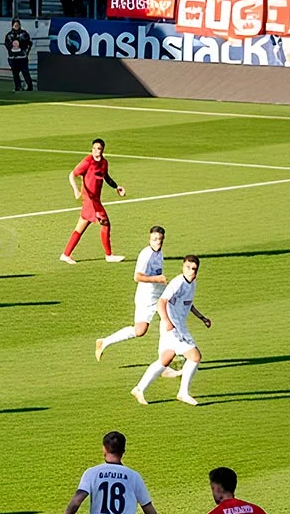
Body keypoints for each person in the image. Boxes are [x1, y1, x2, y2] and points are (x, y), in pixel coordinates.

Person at [132, 254, 209, 406]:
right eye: (188, 268)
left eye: (193, 269)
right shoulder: (178, 282)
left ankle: (139, 389)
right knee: (195, 356)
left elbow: (188, 304)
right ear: (183, 267)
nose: (190, 271)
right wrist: (167, 321)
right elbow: (161, 302)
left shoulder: (192, 284)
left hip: (177, 326)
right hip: (173, 327)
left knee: (165, 359)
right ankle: (183, 393)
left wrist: (202, 318)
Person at [96, 225, 167, 361]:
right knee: (140, 330)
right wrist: (157, 279)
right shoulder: (146, 255)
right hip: (146, 297)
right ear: (149, 239)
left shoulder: (159, 253)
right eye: (154, 239)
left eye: (159, 239)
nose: (157, 242)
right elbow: (137, 277)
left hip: (158, 295)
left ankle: (165, 360)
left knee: (169, 322)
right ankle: (104, 342)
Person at [61, 138, 124, 264]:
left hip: (96, 201)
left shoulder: (104, 163)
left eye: (99, 149)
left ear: (102, 150)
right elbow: (72, 174)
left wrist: (116, 187)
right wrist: (76, 190)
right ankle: (109, 255)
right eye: (94, 149)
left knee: (80, 227)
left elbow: (106, 177)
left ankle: (65, 254)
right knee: (105, 223)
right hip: (90, 201)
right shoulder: (87, 161)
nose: (96, 151)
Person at [4, 18, 34, 91]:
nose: (16, 26)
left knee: (25, 72)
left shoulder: (24, 34)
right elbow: (7, 45)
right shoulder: (9, 35)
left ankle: (29, 86)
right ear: (12, 25)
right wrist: (11, 53)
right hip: (13, 58)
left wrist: (26, 52)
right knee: (15, 74)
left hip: (22, 57)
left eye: (17, 25)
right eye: (15, 25)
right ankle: (18, 86)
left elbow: (29, 43)